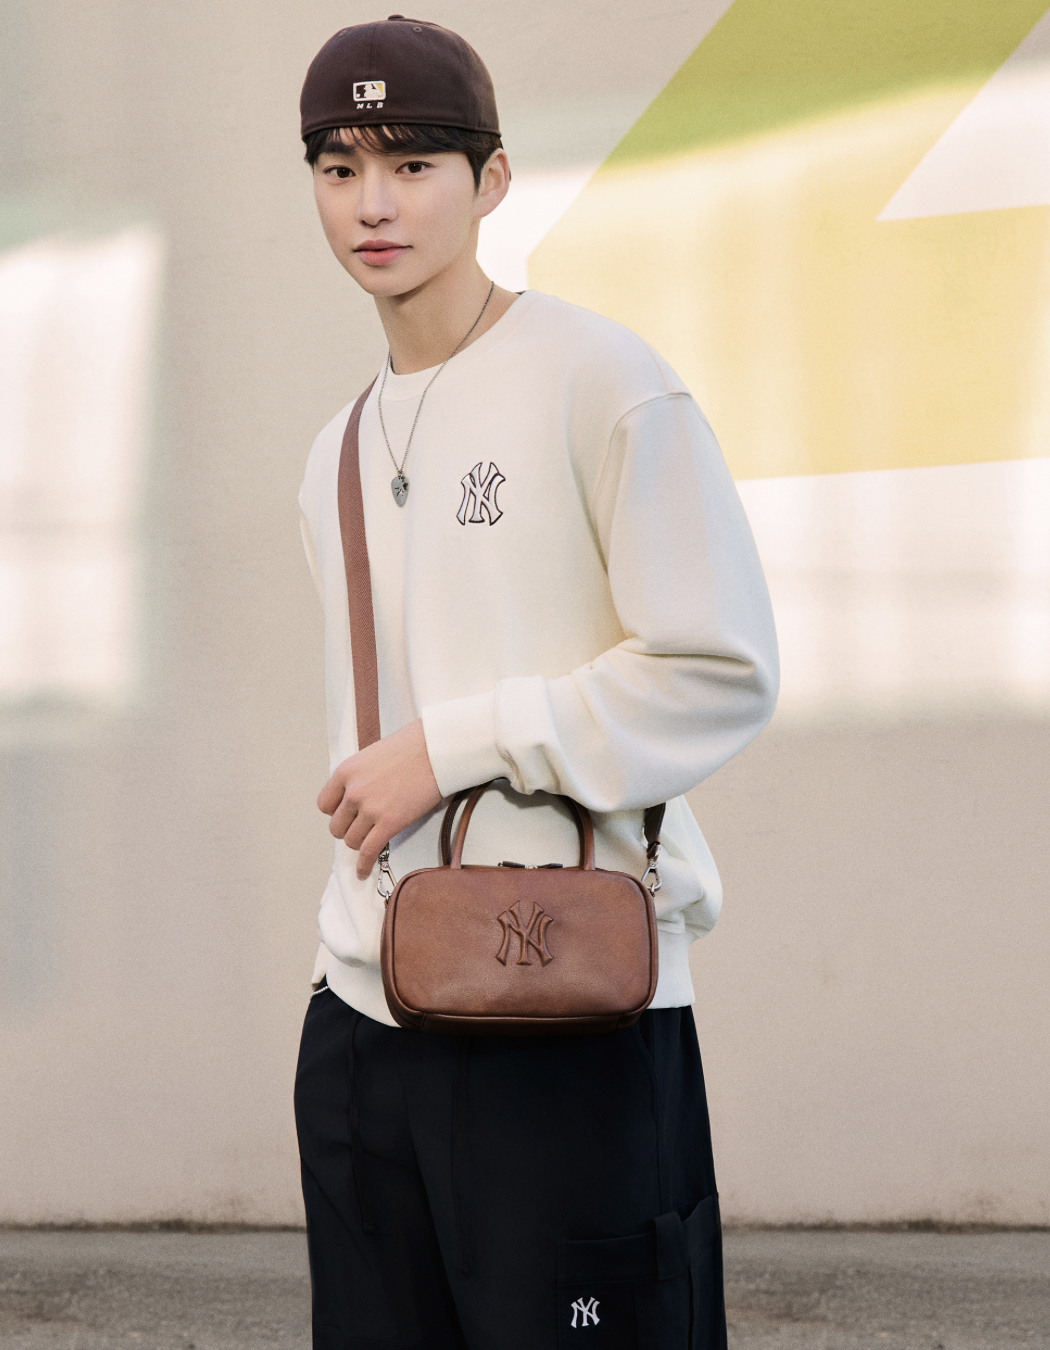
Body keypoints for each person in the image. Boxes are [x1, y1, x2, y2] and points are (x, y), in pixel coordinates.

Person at [293, 16, 778, 1350]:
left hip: (567, 1004)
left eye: (412, 164)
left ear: (491, 180)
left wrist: (457, 743)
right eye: (339, 167)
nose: (373, 203)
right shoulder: (334, 450)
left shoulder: (600, 380)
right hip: (364, 1015)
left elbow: (718, 668)